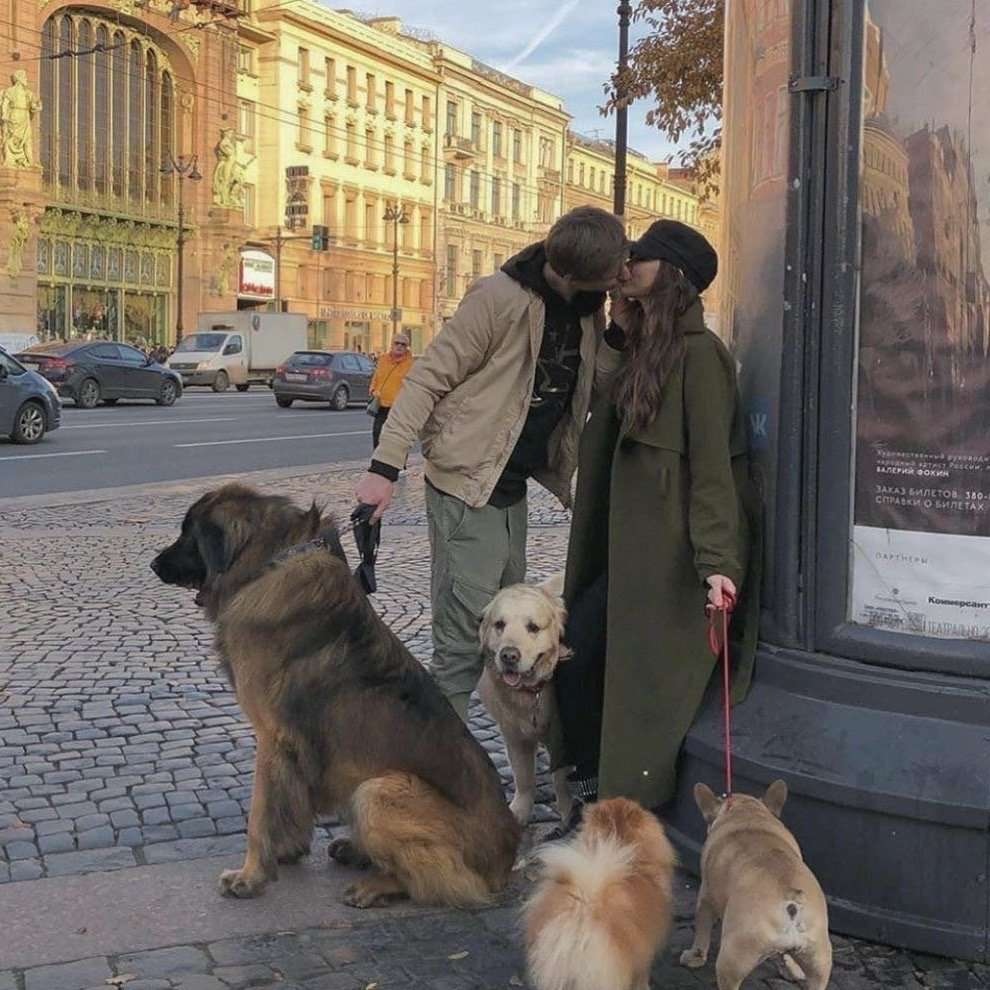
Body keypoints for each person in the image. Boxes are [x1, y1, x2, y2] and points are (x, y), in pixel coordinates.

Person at [354, 206, 630, 720]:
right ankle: (437, 780)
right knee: (461, 646)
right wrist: (384, 468)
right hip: (466, 486)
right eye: (612, 270)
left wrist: (616, 333)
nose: (621, 275)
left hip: (512, 489)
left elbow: (601, 386)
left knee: (506, 631)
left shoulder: (587, 309)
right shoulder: (499, 299)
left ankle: (463, 765)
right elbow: (426, 379)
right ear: (571, 271)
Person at [550, 219, 761, 835]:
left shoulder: (701, 357)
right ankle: (588, 799)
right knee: (575, 658)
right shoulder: (638, 346)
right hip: (625, 553)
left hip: (670, 564)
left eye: (639, 257)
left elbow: (718, 473)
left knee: (606, 670)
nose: (626, 263)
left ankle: (608, 811)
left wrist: (718, 564)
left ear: (669, 273)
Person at [369, 333, 415, 448]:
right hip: (381, 405)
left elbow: (413, 386)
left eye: (403, 344)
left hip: (399, 408)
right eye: (397, 343)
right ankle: (377, 464)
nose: (399, 346)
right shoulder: (383, 359)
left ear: (407, 347)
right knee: (377, 434)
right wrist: (373, 390)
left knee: (397, 438)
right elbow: (376, 377)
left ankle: (398, 464)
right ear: (391, 345)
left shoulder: (411, 364)